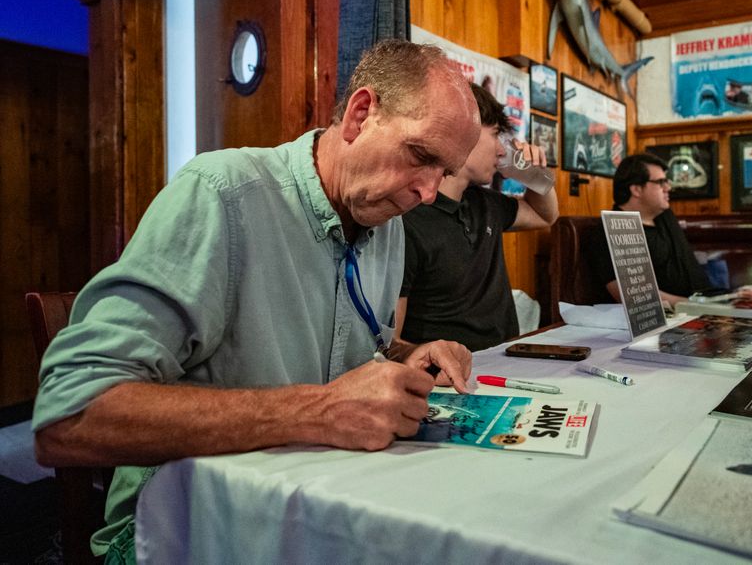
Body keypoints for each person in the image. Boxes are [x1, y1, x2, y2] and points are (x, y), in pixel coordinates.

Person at [31, 40, 483, 560]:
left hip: (311, 510)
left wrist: (407, 354)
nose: (427, 193)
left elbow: (350, 341)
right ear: (361, 114)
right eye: (421, 156)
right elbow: (67, 414)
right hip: (185, 530)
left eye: (444, 173)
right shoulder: (221, 195)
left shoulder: (387, 225)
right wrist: (320, 410)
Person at [395, 83, 558, 352]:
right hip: (451, 377)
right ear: (463, 130)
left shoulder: (485, 202)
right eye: (495, 135)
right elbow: (392, 344)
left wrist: (532, 174)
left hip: (507, 357)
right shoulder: (408, 219)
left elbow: (545, 216)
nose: (502, 150)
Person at [593, 154, 712, 307]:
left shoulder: (664, 216)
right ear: (636, 189)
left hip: (700, 307)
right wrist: (693, 305)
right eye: (660, 182)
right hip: (668, 317)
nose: (668, 188)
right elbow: (633, 295)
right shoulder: (612, 230)